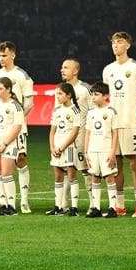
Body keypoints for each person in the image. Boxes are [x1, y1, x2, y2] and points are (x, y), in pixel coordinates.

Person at [101, 32, 136, 216]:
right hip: (113, 124)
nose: (115, 45)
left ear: (128, 45)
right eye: (113, 42)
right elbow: (106, 96)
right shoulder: (108, 70)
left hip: (131, 123)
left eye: (119, 42)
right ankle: (119, 205)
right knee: (116, 164)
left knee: (134, 163)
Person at [0, 41, 35, 213]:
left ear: (13, 55)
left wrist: (16, 119)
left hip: (17, 126)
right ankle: (0, 200)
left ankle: (23, 201)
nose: (2, 59)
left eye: (5, 55)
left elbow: (29, 102)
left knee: (20, 159)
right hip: (0, 128)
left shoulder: (22, 75)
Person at [0, 77, 24, 216]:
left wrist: (4, 143)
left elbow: (17, 127)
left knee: (7, 173)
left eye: (0, 88)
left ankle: (12, 206)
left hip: (9, 144)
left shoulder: (15, 106)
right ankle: (3, 204)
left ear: (8, 89)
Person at [59, 58, 91, 213]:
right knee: (66, 169)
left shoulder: (84, 89)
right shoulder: (61, 90)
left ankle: (93, 204)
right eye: (62, 67)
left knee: (86, 169)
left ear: (75, 71)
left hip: (82, 137)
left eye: (66, 67)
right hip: (65, 138)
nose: (62, 70)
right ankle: (63, 204)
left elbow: (93, 111)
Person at [83, 82, 119, 218]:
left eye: (96, 94)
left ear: (105, 96)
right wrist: (86, 151)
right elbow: (88, 132)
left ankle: (112, 208)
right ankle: (96, 208)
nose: (93, 97)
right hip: (93, 150)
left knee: (109, 177)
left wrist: (112, 152)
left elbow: (115, 133)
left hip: (106, 150)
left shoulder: (111, 112)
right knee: (95, 177)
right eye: (92, 94)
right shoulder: (91, 112)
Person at [47, 82, 82, 216]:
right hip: (56, 147)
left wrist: (62, 147)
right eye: (57, 94)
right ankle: (58, 206)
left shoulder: (74, 110)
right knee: (58, 177)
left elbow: (74, 132)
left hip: (68, 148)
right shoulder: (57, 110)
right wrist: (52, 147)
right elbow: (52, 131)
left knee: (72, 176)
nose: (58, 96)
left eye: (60, 94)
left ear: (69, 95)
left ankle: (74, 207)